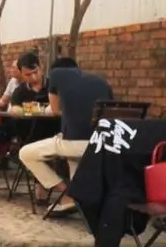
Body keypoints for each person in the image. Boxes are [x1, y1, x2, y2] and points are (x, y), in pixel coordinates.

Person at [19, 57, 113, 215]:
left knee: (26, 153)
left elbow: (55, 110)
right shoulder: (101, 82)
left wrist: (68, 113)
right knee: (73, 157)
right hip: (101, 142)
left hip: (74, 142)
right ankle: (77, 199)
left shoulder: (57, 74)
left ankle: (68, 191)